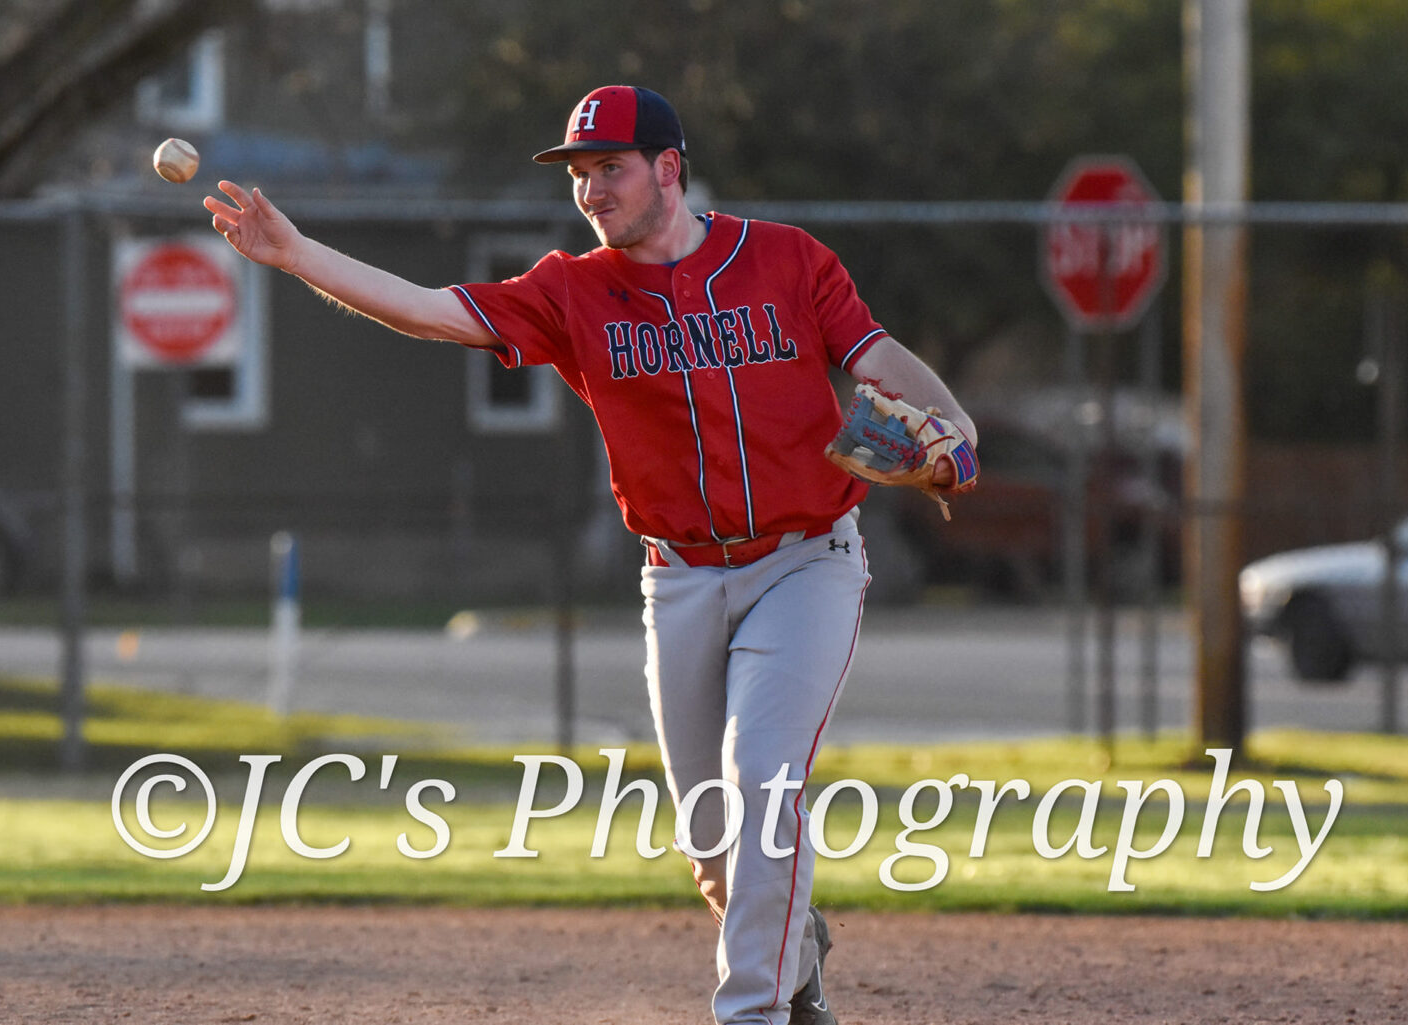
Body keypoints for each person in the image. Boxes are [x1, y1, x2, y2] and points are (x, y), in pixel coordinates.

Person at [205, 84, 976, 1025]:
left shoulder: (783, 258)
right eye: (579, 173)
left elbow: (875, 353)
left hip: (804, 561)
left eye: (609, 166)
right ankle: (794, 942)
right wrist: (295, 256)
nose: (592, 190)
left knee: (763, 778)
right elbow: (425, 311)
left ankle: (757, 1013)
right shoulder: (572, 291)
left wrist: (957, 424)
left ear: (669, 169)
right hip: (680, 575)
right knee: (712, 845)